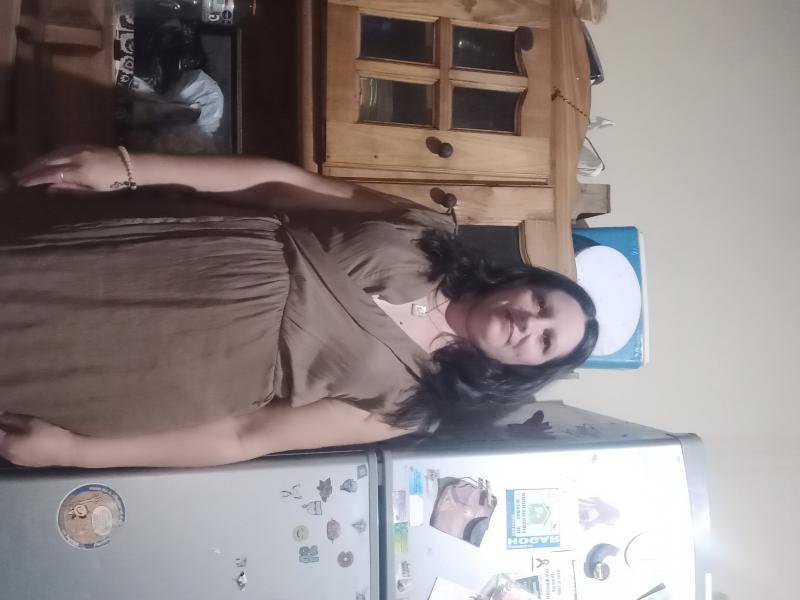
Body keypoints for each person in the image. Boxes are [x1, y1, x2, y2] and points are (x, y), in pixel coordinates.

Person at [0, 146, 598, 469]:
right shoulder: (426, 231)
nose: (529, 323)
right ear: (522, 281)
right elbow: (281, 184)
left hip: (158, 370)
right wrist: (131, 167)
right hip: (156, 254)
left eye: (545, 340)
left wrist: (75, 452)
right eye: (541, 302)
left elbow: (244, 436)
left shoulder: (415, 406)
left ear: (526, 370)